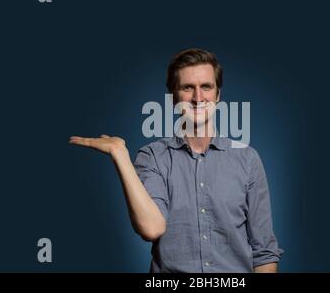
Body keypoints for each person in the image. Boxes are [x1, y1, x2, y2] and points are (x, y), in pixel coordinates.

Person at [69, 48, 283, 272]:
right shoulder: (152, 157)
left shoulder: (248, 159)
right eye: (187, 87)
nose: (198, 98)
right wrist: (121, 155)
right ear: (173, 97)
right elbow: (151, 228)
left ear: (218, 95)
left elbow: (264, 252)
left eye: (206, 87)